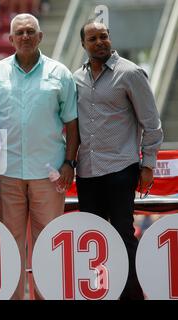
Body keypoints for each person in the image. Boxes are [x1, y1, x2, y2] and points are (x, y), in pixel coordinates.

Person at [0, 13, 79, 300]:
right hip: (6, 173)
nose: (25, 36)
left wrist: (69, 163)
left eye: (30, 32)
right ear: (10, 39)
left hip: (49, 173)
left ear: (40, 37)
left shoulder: (60, 73)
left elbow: (72, 123)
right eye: (19, 32)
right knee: (8, 244)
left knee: (48, 243)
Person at [74, 21, 163, 300]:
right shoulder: (75, 78)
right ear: (84, 44)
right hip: (87, 172)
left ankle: (132, 294)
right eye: (93, 38)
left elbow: (152, 123)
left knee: (122, 233)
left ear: (110, 38)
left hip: (121, 168)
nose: (99, 42)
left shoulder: (131, 73)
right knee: (94, 236)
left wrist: (147, 164)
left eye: (104, 36)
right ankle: (102, 292)